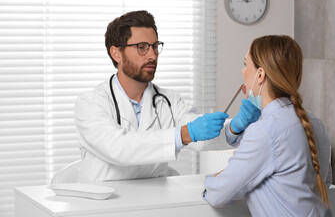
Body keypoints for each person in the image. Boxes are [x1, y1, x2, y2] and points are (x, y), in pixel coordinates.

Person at [74, 10, 229, 182]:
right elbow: (119, 147)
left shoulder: (169, 100)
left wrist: (235, 128)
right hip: (104, 205)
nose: (152, 55)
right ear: (116, 53)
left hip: (153, 202)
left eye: (155, 46)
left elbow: (201, 136)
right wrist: (184, 134)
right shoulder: (90, 103)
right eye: (142, 47)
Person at [203, 35, 333, 216]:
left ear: (260, 74)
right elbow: (324, 182)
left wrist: (214, 179)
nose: (242, 71)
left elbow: (217, 195)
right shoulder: (315, 124)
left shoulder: (265, 131)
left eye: (246, 64)